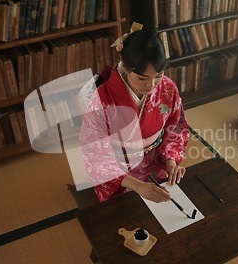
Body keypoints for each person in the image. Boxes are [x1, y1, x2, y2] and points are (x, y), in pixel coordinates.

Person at [79, 24, 190, 203]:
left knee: (168, 195)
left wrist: (171, 161)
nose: (152, 84)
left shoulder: (168, 88)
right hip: (119, 170)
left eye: (159, 75)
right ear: (125, 65)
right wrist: (138, 186)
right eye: (142, 78)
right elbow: (95, 154)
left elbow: (176, 126)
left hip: (155, 159)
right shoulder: (102, 99)